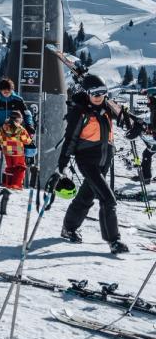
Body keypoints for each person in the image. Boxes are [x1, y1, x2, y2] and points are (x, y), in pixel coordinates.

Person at [58, 74, 128, 254]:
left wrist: (134, 126)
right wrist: (63, 162)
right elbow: (70, 138)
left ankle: (69, 228)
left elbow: (126, 121)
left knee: (86, 197)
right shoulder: (81, 112)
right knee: (108, 199)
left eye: (102, 92)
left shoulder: (108, 108)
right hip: (87, 161)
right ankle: (114, 240)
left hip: (104, 161)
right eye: (94, 93)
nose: (98, 96)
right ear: (87, 93)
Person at [0, 78, 33, 186]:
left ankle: (6, 179)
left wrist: (29, 125)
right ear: (0, 90)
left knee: (8, 158)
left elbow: (27, 113)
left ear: (12, 90)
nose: (6, 93)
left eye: (8, 91)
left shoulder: (17, 100)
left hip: (12, 134)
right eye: (4, 91)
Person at [0, 111, 30, 190]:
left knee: (10, 167)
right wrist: (30, 139)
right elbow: (26, 141)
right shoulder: (21, 129)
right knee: (20, 167)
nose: (21, 121)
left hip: (7, 152)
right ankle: (16, 184)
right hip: (18, 152)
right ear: (18, 119)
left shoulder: (3, 127)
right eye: (21, 119)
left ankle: (9, 184)